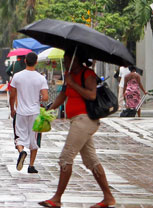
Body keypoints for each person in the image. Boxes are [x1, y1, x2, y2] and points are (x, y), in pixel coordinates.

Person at [39, 50, 115, 208]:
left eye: (67, 59)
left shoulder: (88, 75)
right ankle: (108, 197)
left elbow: (92, 95)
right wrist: (50, 108)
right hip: (76, 120)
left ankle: (57, 198)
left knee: (66, 158)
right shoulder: (68, 74)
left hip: (85, 119)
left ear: (76, 60)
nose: (65, 62)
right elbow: (63, 95)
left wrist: (73, 83)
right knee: (91, 160)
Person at [9, 52, 49, 173]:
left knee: (19, 137)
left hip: (20, 112)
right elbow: (46, 97)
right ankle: (31, 165)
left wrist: (12, 109)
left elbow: (12, 95)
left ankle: (22, 152)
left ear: (25, 61)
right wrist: (38, 98)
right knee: (34, 139)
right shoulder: (41, 78)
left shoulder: (17, 76)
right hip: (35, 113)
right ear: (36, 62)